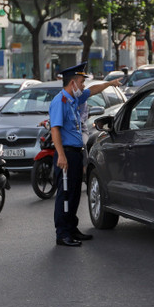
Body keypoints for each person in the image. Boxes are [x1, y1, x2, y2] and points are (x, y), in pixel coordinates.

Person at [50, 61, 123, 247]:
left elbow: (93, 90)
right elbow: (55, 130)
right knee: (65, 194)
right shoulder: (60, 101)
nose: (83, 86)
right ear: (73, 83)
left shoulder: (74, 98)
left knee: (74, 193)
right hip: (65, 153)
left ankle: (72, 228)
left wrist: (109, 84)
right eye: (81, 82)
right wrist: (61, 155)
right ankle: (62, 233)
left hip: (75, 153)